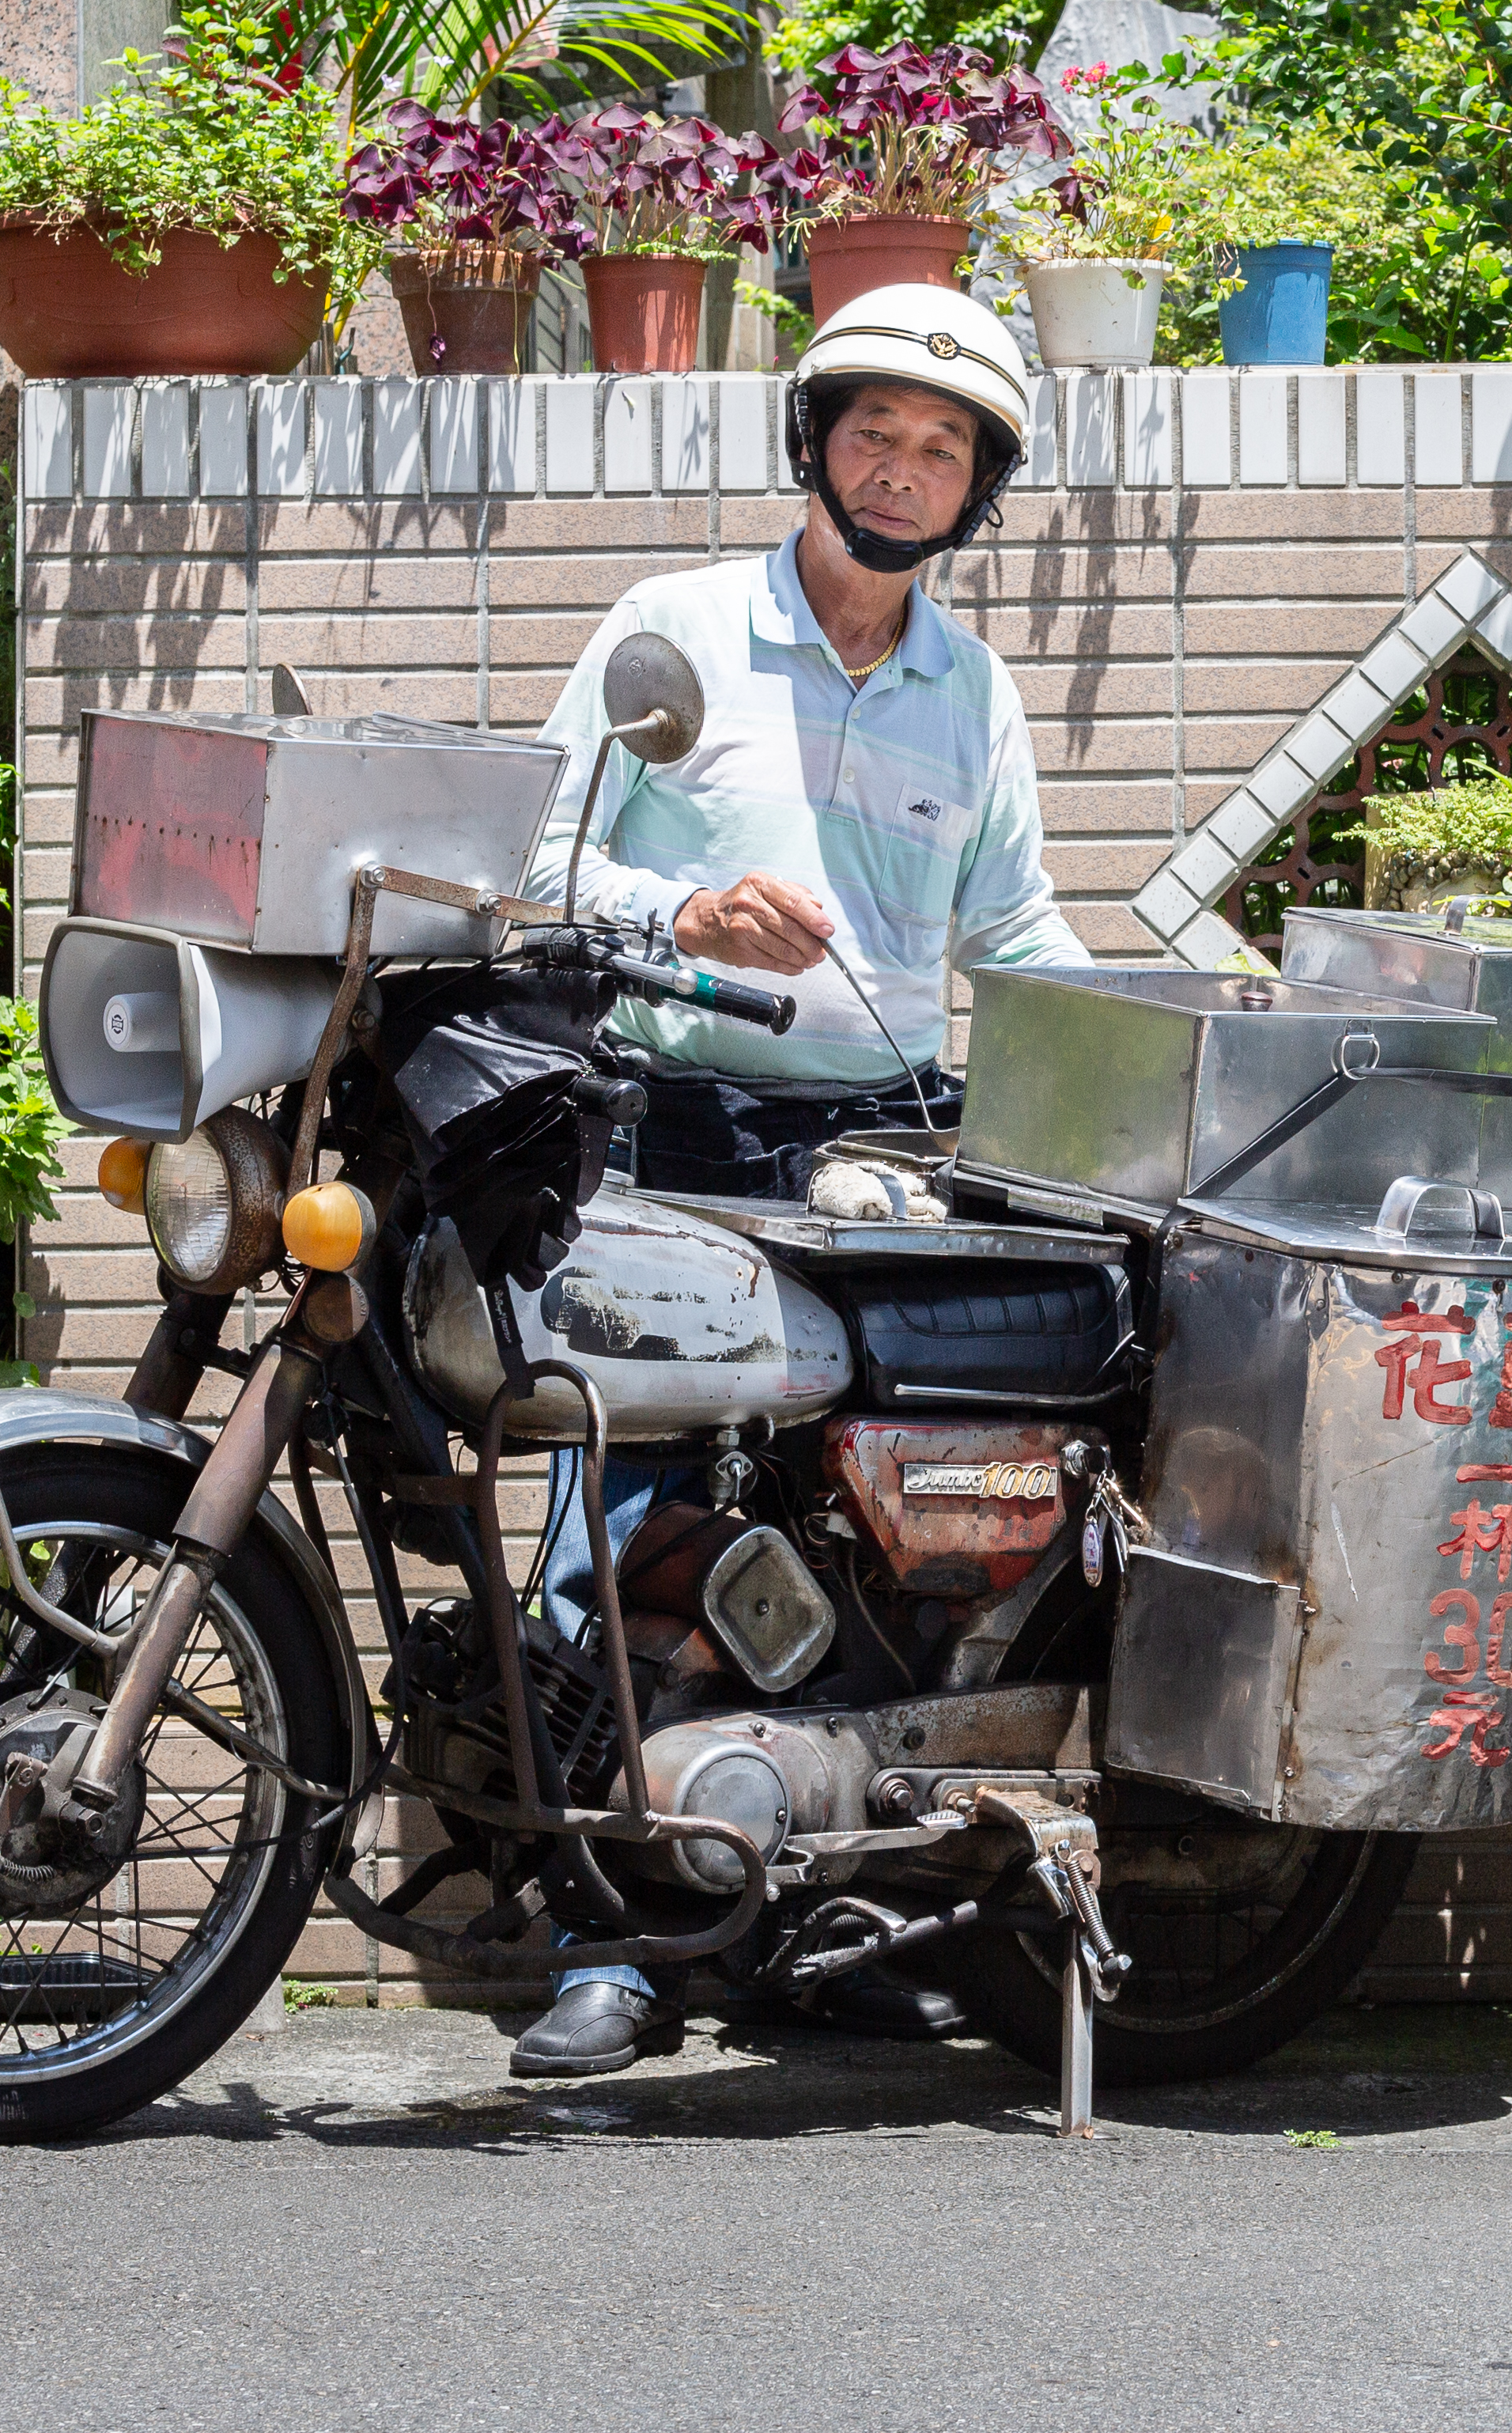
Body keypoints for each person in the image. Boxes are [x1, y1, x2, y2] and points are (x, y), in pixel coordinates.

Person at [500, 281, 1088, 2080]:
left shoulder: (969, 687)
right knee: (620, 1529)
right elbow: (532, 854)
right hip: (673, 1131)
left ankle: (832, 1906)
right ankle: (607, 1944)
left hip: (887, 1156)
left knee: (879, 1533)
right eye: (875, 434)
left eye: (942, 451)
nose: (902, 472)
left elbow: (1016, 932)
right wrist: (675, 913)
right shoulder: (672, 627)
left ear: (974, 492)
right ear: (813, 441)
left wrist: (1168, 1037)